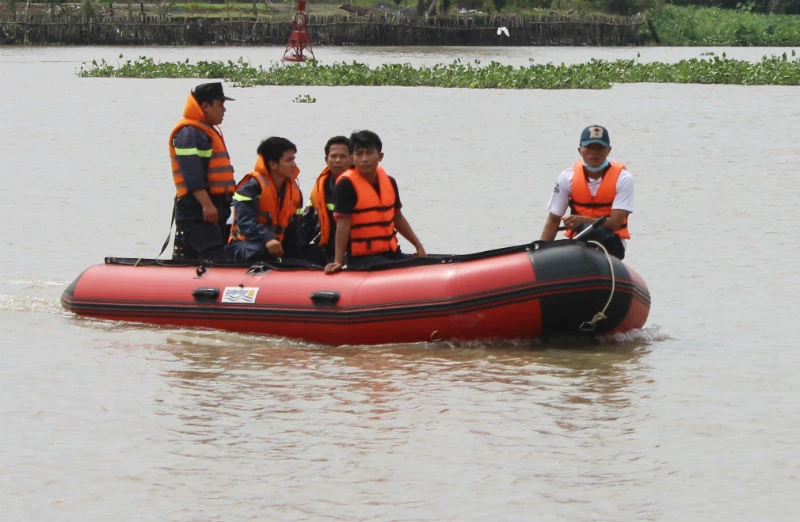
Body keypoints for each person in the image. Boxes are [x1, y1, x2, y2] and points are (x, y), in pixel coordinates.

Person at [324, 130, 426, 274]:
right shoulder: (346, 186)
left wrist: (418, 246)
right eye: (359, 154)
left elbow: (398, 217)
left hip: (391, 252)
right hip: (362, 258)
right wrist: (338, 261)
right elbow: (343, 225)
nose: (364, 159)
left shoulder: (390, 182)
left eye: (369, 153)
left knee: (421, 265)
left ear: (380, 156)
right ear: (352, 158)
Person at [539, 125, 633, 259]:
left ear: (609, 150)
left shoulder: (623, 178)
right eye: (589, 148)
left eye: (600, 148)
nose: (594, 153)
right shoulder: (567, 177)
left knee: (594, 231)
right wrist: (541, 252)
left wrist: (582, 220)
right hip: (578, 240)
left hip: (611, 242)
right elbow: (553, 220)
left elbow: (615, 223)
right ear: (580, 150)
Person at [168, 82, 236, 261]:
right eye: (220, 104)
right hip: (197, 210)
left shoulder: (205, 131)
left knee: (195, 257)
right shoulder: (189, 133)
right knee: (213, 256)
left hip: (211, 208)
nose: (224, 110)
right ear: (205, 106)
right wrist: (207, 205)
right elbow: (192, 174)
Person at [225, 137, 304, 264]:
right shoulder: (250, 188)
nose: (293, 165)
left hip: (277, 244)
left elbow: (294, 227)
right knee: (260, 250)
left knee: (307, 253)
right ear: (273, 164)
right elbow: (245, 223)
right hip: (245, 244)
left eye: (293, 159)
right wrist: (268, 238)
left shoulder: (294, 192)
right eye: (289, 160)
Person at [299, 135, 352, 264]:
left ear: (352, 158)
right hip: (328, 249)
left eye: (342, 156)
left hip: (356, 250)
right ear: (326, 159)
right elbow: (308, 222)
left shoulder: (361, 185)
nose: (338, 160)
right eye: (333, 156)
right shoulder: (321, 188)